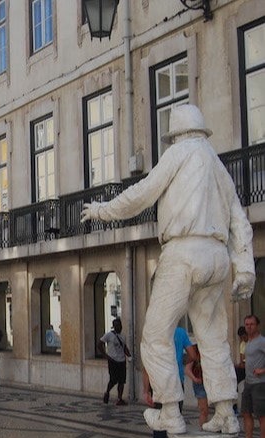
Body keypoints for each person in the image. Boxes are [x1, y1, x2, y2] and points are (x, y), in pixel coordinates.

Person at [80, 104, 255, 435]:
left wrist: (104, 210)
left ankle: (170, 411)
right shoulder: (218, 166)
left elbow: (142, 194)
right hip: (217, 256)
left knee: (155, 336)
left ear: (176, 134)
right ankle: (226, 413)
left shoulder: (180, 153)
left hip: (183, 252)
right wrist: (244, 267)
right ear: (202, 130)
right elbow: (239, 220)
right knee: (215, 339)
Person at [97, 318, 131, 405]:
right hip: (113, 361)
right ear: (114, 326)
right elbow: (99, 344)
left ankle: (119, 399)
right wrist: (105, 355)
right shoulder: (109, 335)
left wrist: (129, 356)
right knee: (113, 380)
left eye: (120, 325)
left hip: (122, 361)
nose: (119, 327)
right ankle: (107, 392)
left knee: (122, 381)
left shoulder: (123, 336)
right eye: (117, 325)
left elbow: (124, 347)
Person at [242, 314, 265, 438]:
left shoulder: (262, 341)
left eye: (252, 324)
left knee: (261, 415)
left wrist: (262, 370)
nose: (249, 327)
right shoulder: (248, 342)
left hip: (259, 384)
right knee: (246, 413)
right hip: (248, 383)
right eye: (247, 324)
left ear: (257, 325)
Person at [184, 344, 209, 426]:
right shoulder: (195, 350)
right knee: (204, 410)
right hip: (200, 383)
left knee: (207, 410)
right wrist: (195, 379)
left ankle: (205, 427)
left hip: (210, 382)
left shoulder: (210, 349)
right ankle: (203, 429)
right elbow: (187, 369)